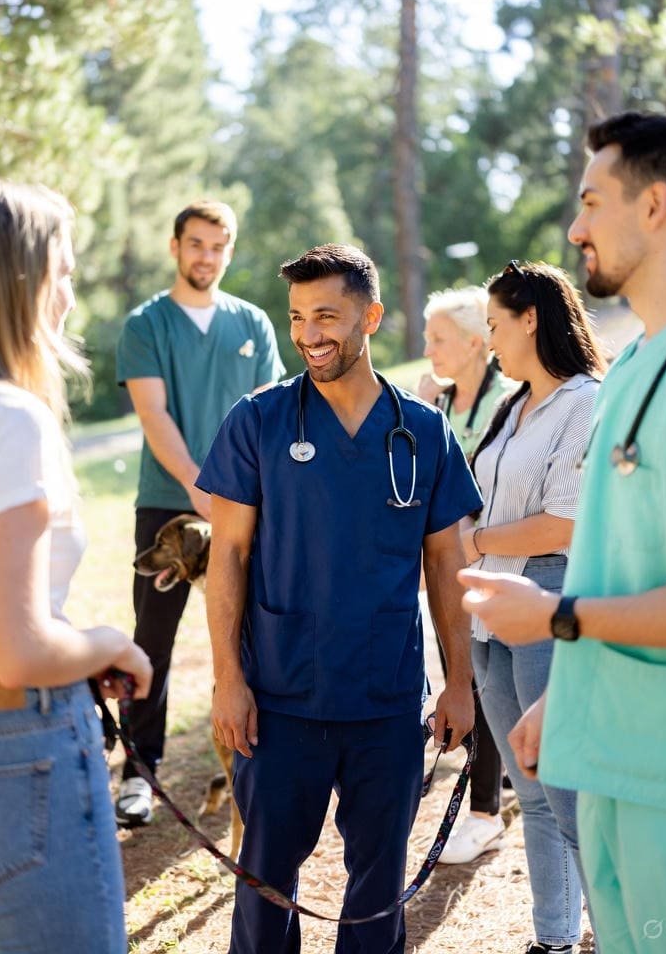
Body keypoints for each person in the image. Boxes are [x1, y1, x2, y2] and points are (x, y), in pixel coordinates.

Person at [461, 112, 666, 954]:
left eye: (591, 202)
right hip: (614, 766)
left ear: (653, 207)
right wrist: (560, 696)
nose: (574, 229)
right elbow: (615, 565)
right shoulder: (640, 365)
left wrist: (555, 620)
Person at [200, 243, 480, 954]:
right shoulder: (258, 421)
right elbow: (227, 555)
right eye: (297, 317)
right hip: (278, 695)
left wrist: (459, 683)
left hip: (385, 698)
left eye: (326, 315)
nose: (308, 334)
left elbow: (445, 560)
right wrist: (229, 680)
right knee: (265, 882)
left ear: (371, 317)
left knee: (377, 887)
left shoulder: (422, 430)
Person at [0, 179, 152, 954]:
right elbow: (20, 649)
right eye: (62, 272)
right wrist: (109, 645)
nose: (68, 294)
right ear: (21, 279)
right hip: (10, 745)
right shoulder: (4, 416)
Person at [114, 199, 285, 827]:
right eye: (195, 244)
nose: (206, 256)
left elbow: (269, 408)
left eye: (218, 246)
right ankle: (138, 774)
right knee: (153, 639)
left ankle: (262, 759)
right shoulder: (146, 324)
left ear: (229, 251)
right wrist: (198, 488)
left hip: (245, 503)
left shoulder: (254, 325)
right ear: (175, 245)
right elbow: (154, 415)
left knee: (255, 632)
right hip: (170, 502)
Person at [460, 260, 606, 954]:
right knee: (534, 796)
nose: (489, 340)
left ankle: (618, 935)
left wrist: (475, 537)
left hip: (545, 601)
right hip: (491, 611)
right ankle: (554, 940)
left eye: (494, 324)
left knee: (570, 794)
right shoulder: (512, 404)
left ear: (530, 319)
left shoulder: (585, 402)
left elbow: (567, 522)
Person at [417, 286, 515, 864]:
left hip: (497, 562)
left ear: (476, 343)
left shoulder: (509, 399)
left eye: (437, 339)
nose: (427, 348)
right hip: (452, 565)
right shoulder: (440, 404)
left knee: (487, 683)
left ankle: (484, 814)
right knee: (474, 676)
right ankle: (495, 792)